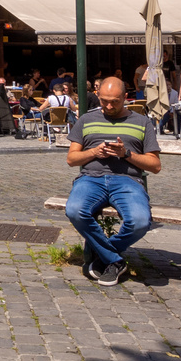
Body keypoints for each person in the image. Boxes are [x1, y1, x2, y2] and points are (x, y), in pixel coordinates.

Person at [63, 77, 161, 287]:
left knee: (140, 222)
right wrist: (94, 152)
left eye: (115, 101)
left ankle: (103, 256)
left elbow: (155, 165)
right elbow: (72, 159)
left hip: (128, 181)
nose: (108, 106)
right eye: (104, 101)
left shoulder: (142, 122)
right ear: (98, 95)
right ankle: (115, 260)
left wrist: (126, 154)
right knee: (74, 210)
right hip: (91, 179)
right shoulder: (85, 120)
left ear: (125, 98)